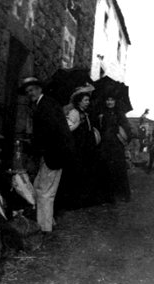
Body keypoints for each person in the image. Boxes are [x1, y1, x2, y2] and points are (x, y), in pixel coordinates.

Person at [20, 77, 74, 233]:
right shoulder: (43, 104)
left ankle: (44, 229)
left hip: (54, 154)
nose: (30, 93)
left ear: (39, 89)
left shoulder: (46, 106)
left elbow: (48, 132)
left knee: (45, 192)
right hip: (51, 153)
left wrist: (33, 145)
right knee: (39, 187)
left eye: (32, 90)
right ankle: (48, 221)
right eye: (27, 92)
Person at [93, 90, 132, 203]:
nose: (109, 102)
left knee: (120, 169)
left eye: (112, 100)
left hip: (116, 145)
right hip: (105, 145)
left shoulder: (119, 113)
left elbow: (127, 130)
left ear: (115, 101)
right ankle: (109, 196)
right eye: (107, 100)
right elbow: (98, 129)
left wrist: (118, 129)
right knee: (107, 170)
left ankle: (125, 194)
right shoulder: (102, 113)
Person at [64, 85, 100, 207]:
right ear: (79, 101)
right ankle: (74, 201)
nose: (88, 102)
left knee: (86, 173)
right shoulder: (74, 113)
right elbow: (68, 128)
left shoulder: (85, 113)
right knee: (77, 174)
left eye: (88, 100)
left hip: (87, 149)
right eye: (85, 100)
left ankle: (83, 200)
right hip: (79, 148)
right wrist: (78, 123)